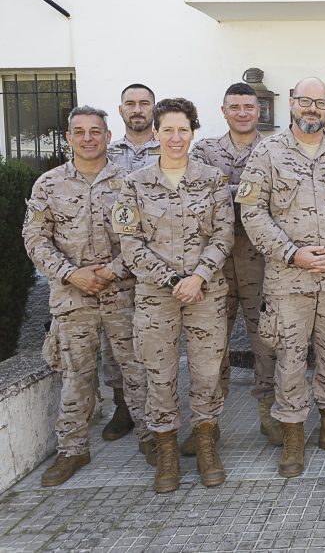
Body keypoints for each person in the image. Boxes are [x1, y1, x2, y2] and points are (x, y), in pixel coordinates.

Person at [238, 77, 325, 478]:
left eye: (319, 102)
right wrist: (292, 253)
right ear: (292, 104)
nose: (311, 109)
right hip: (288, 281)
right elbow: (252, 213)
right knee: (290, 360)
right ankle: (293, 437)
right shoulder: (266, 153)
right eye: (304, 101)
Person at [23, 106, 152, 486]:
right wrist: (70, 273)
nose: (88, 138)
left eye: (95, 131)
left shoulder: (130, 182)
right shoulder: (47, 185)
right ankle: (72, 450)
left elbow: (141, 236)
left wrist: (113, 269)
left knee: (137, 370)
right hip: (71, 297)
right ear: (69, 138)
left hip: (122, 293)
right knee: (75, 376)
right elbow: (34, 238)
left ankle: (152, 439)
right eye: (79, 132)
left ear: (109, 137)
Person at [115, 98, 234, 493]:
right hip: (155, 296)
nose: (176, 137)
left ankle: (204, 444)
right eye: (168, 129)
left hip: (206, 293)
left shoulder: (213, 179)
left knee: (206, 372)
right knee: (159, 375)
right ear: (155, 133)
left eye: (183, 129)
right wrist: (171, 280)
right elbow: (129, 244)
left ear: (193, 133)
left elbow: (223, 234)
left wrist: (198, 277)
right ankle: (166, 451)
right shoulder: (133, 184)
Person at [189, 83, 277, 449]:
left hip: (262, 261)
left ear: (260, 112)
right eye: (235, 107)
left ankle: (270, 416)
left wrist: (226, 191)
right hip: (215, 264)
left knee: (268, 342)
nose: (242, 112)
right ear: (223, 111)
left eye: (249, 107)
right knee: (211, 347)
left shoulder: (275, 149)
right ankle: (208, 425)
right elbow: (194, 199)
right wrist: (245, 192)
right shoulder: (204, 150)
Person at [95, 82, 159, 441]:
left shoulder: (168, 146)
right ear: (120, 110)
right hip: (113, 265)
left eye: (144, 103)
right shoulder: (107, 151)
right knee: (114, 343)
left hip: (153, 263)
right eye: (130, 104)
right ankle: (124, 406)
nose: (137, 109)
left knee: (152, 341)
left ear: (153, 108)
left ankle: (155, 409)